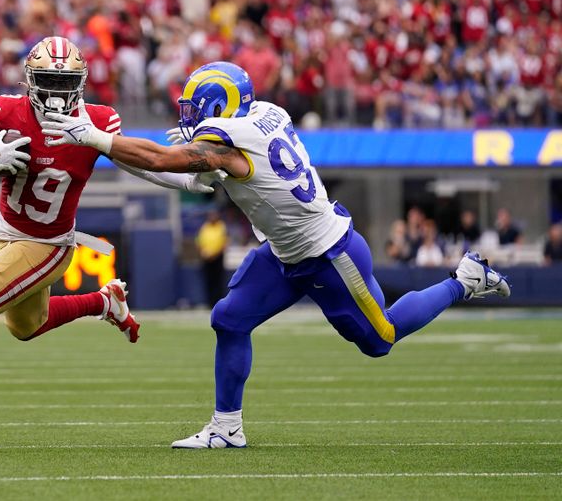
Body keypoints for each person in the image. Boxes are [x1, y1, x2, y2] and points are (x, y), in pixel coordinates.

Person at [42, 61, 511, 449]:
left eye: (195, 106)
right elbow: (187, 176)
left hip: (329, 253)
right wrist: (112, 151)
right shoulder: (265, 112)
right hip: (284, 251)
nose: (188, 115)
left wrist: (98, 140)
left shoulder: (232, 139)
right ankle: (227, 428)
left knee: (380, 338)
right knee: (228, 318)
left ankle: (462, 279)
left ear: (219, 104)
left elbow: (169, 163)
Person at [0, 36, 217, 442]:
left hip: (48, 244)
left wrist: (187, 178)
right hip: (8, 233)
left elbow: (141, 167)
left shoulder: (98, 122)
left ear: (81, 84)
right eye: (48, 80)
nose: (55, 92)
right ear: (30, 81)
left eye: (64, 82)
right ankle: (104, 301)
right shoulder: (8, 112)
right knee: (25, 326)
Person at [196, 210, 228, 306]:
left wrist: (214, 254)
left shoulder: (221, 226)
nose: (212, 218)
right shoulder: (205, 227)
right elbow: (200, 241)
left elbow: (223, 242)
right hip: (206, 258)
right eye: (210, 216)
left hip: (217, 258)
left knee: (218, 280)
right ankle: (209, 302)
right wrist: (203, 252)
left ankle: (219, 302)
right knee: (209, 281)